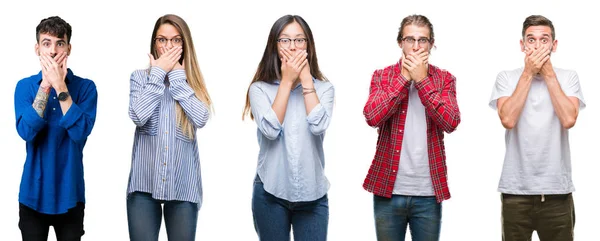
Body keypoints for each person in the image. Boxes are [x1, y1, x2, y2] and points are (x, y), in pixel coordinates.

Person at [362, 14, 461, 241]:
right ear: (400, 43)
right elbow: (372, 117)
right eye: (410, 40)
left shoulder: (445, 79)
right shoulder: (382, 76)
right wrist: (405, 78)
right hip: (388, 189)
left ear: (431, 44)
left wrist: (423, 80)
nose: (416, 47)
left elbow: (451, 122)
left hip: (428, 193)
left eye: (423, 40)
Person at [489, 15, 584, 241]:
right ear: (522, 45)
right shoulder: (507, 78)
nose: (538, 46)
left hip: (557, 192)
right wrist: (529, 73)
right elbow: (508, 119)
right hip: (516, 191)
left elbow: (569, 119)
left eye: (544, 40)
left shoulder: (569, 77)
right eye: (531, 40)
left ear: (554, 45)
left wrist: (548, 73)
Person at [242, 14, 334, 241]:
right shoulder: (259, 88)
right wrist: (285, 81)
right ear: (274, 45)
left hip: (312, 195)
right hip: (270, 193)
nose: (292, 47)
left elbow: (318, 125)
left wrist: (305, 80)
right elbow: (270, 131)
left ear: (308, 45)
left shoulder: (324, 88)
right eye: (285, 40)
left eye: (299, 40)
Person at [126, 14, 212, 241]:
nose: (168, 46)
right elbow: (137, 115)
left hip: (183, 186)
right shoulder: (139, 78)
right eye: (162, 40)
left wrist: (177, 79)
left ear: (185, 45)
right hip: (144, 185)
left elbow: (201, 118)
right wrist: (158, 75)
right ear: (154, 44)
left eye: (176, 40)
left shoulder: (193, 83)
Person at [14, 16, 98, 241]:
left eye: (59, 43)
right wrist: (46, 84)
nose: (53, 51)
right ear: (37, 48)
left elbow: (80, 133)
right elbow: (26, 133)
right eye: (46, 43)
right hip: (33, 194)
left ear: (69, 48)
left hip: (70, 195)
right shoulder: (24, 87)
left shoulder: (86, 88)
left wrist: (60, 85)